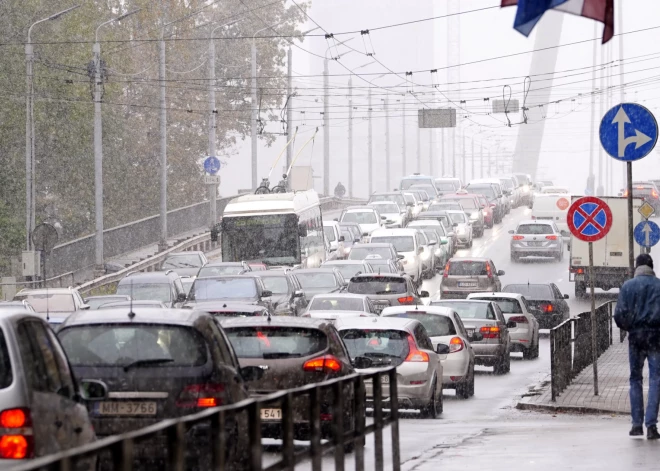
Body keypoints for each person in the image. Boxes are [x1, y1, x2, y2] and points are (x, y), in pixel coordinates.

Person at [614, 253, 660, 439]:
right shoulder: (658, 286)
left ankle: (636, 424)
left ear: (637, 267)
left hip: (635, 337)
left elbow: (619, 315)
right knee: (656, 379)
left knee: (635, 378)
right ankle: (651, 425)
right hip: (656, 337)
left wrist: (629, 327)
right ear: (652, 267)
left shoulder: (628, 286)